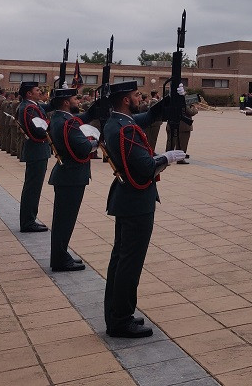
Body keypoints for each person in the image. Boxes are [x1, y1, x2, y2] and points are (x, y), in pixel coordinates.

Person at [102, 81, 186, 339]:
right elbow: (145, 167)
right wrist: (166, 158)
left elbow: (151, 115)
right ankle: (121, 320)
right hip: (136, 201)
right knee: (129, 262)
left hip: (127, 198)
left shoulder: (116, 121)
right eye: (136, 95)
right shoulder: (125, 129)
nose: (140, 98)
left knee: (121, 259)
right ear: (126, 100)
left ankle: (117, 312)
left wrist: (172, 99)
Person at [47, 87, 99, 272]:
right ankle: (60, 260)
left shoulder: (58, 118)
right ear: (66, 102)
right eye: (75, 98)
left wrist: (93, 111)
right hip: (71, 176)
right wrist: (97, 142)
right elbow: (84, 148)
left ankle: (61, 255)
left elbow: (78, 121)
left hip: (67, 174)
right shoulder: (67, 123)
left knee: (63, 220)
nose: (78, 101)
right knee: (64, 221)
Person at [17, 82, 51, 233]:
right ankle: (28, 222)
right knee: (33, 188)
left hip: (37, 150)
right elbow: (39, 130)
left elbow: (46, 108)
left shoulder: (31, 106)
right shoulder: (28, 108)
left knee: (33, 187)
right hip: (37, 150)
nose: (40, 92)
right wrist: (52, 126)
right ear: (29, 94)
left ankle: (29, 219)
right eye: (37, 90)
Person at [165, 99, 198, 163]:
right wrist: (195, 108)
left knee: (174, 143)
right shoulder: (183, 103)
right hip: (184, 126)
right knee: (182, 143)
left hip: (176, 125)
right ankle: (180, 159)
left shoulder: (173, 102)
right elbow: (191, 112)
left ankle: (175, 157)